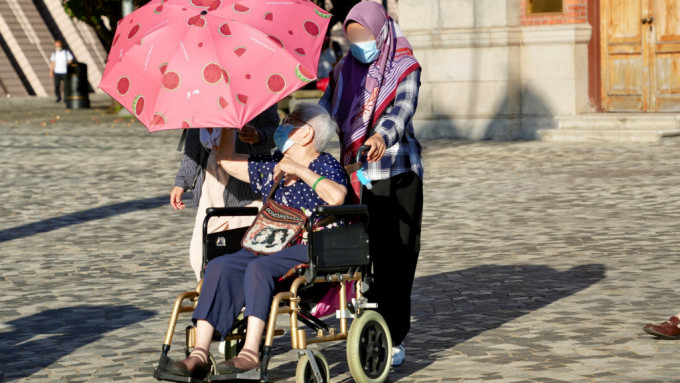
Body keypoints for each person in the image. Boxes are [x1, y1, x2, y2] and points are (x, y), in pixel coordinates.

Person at [167, 103, 347, 378]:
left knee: (258, 269)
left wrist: (299, 170)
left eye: (291, 120)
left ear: (307, 134)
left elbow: (336, 197)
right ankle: (200, 353)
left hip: (310, 247)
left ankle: (251, 351)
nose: (284, 124)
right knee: (220, 266)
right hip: (269, 242)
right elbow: (228, 162)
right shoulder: (274, 165)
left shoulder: (325, 163)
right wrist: (228, 123)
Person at [318, 1, 423, 366]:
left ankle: (392, 334)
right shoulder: (344, 71)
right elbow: (324, 113)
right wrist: (296, 130)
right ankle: (370, 324)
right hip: (355, 175)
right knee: (366, 255)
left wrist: (381, 135)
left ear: (379, 30)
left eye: (363, 35)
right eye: (352, 37)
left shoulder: (403, 65)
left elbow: (402, 109)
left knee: (397, 255)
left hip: (396, 172)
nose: (358, 43)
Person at [171, 104, 278, 281]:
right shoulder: (201, 94)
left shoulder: (257, 92)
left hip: (246, 179)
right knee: (200, 250)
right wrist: (182, 182)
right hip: (213, 179)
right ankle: (209, 293)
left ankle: (245, 296)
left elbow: (274, 131)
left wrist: (258, 136)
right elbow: (193, 145)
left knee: (244, 246)